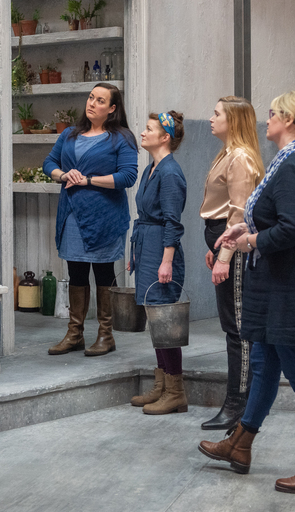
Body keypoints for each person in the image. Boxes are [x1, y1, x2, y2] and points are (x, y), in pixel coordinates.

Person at [199, 87, 295, 495]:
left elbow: (293, 228)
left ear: (290, 121)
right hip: (279, 286)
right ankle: (240, 445)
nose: (268, 118)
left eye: (275, 113)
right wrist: (248, 227)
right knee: (262, 361)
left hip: (289, 288)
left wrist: (252, 242)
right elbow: (281, 216)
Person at [43, 83, 138, 357]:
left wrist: (88, 180)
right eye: (91, 97)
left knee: (103, 272)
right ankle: (75, 334)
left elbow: (128, 177)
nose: (92, 103)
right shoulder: (70, 134)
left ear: (112, 109)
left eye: (100, 100)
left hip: (104, 216)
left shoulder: (122, 138)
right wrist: (63, 175)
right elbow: (48, 163)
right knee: (76, 271)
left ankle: (106, 335)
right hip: (72, 213)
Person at [199, 96, 264, 430]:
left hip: (235, 249)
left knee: (237, 329)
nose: (211, 118)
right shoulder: (227, 153)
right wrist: (216, 245)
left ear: (233, 121)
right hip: (224, 243)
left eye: (216, 113)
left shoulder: (239, 157)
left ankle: (238, 404)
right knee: (232, 327)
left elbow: (239, 213)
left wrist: (225, 254)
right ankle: (238, 400)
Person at [129, 111, 188, 415]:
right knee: (155, 321)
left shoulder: (170, 173)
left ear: (164, 137)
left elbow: (172, 223)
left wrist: (166, 262)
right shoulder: (150, 169)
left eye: (149, 129)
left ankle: (175, 391)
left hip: (162, 251)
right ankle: (161, 384)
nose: (143, 132)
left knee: (165, 321)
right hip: (147, 246)